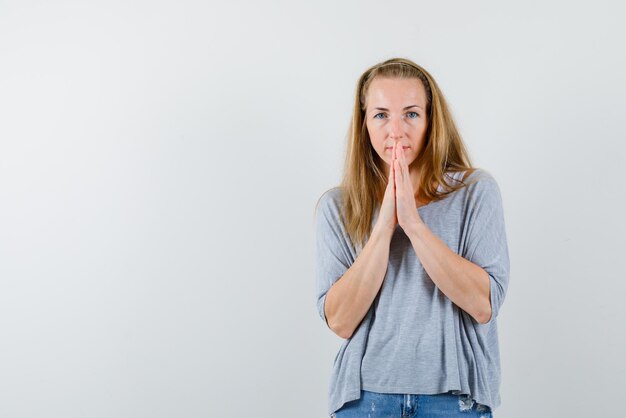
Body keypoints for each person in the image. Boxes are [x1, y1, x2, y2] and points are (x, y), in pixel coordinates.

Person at [314, 57, 510, 418]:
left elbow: (484, 304)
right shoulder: (337, 206)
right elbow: (340, 321)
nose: (396, 130)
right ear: (364, 124)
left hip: (456, 399)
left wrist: (415, 226)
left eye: (411, 114)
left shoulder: (475, 193)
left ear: (431, 120)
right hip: (364, 400)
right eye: (381, 114)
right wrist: (385, 225)